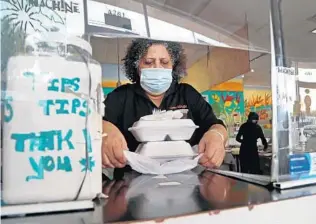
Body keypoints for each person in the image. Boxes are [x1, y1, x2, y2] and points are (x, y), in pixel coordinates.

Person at [102, 38, 227, 173]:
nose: (157, 67)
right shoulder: (122, 96)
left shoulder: (187, 94)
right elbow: (93, 120)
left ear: (174, 66)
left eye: (164, 62)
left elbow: (215, 124)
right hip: (130, 183)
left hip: (186, 182)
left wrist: (217, 135)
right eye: (148, 62)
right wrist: (103, 128)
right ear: (136, 66)